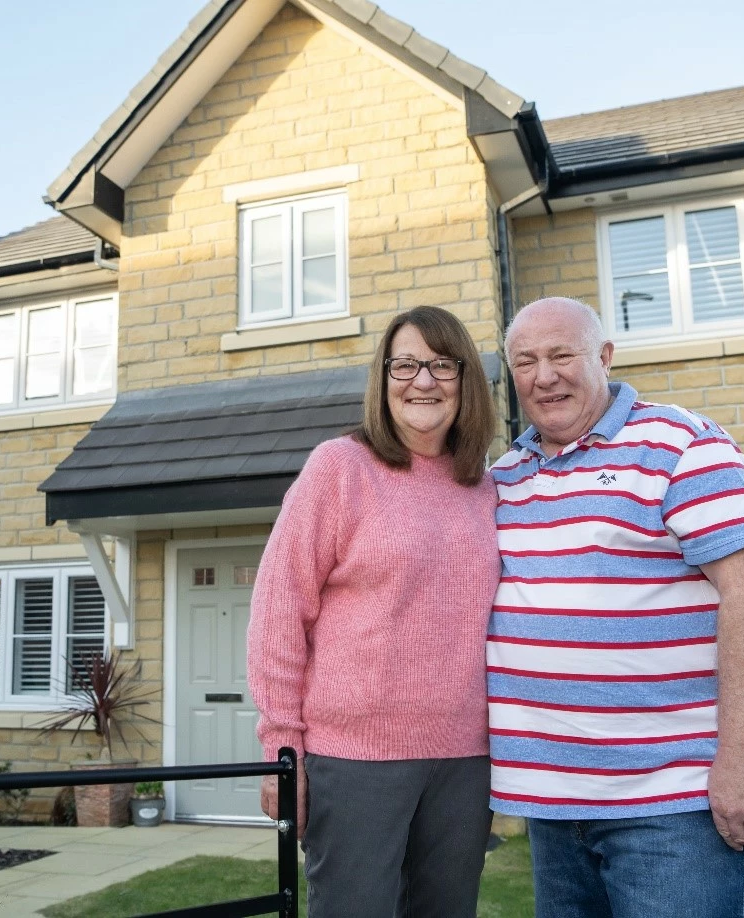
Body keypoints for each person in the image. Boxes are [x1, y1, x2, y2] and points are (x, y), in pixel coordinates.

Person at [488, 297, 744, 918]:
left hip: (674, 805)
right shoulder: (507, 475)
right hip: (555, 808)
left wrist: (743, 759)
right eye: (525, 362)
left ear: (603, 357)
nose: (544, 376)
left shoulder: (681, 444)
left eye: (562, 355)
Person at [246, 305, 500, 918]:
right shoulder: (340, 468)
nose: (423, 380)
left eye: (442, 364)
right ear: (382, 378)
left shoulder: (486, 487)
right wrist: (284, 750)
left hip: (464, 760)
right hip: (355, 760)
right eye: (405, 364)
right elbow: (280, 610)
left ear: (466, 381)